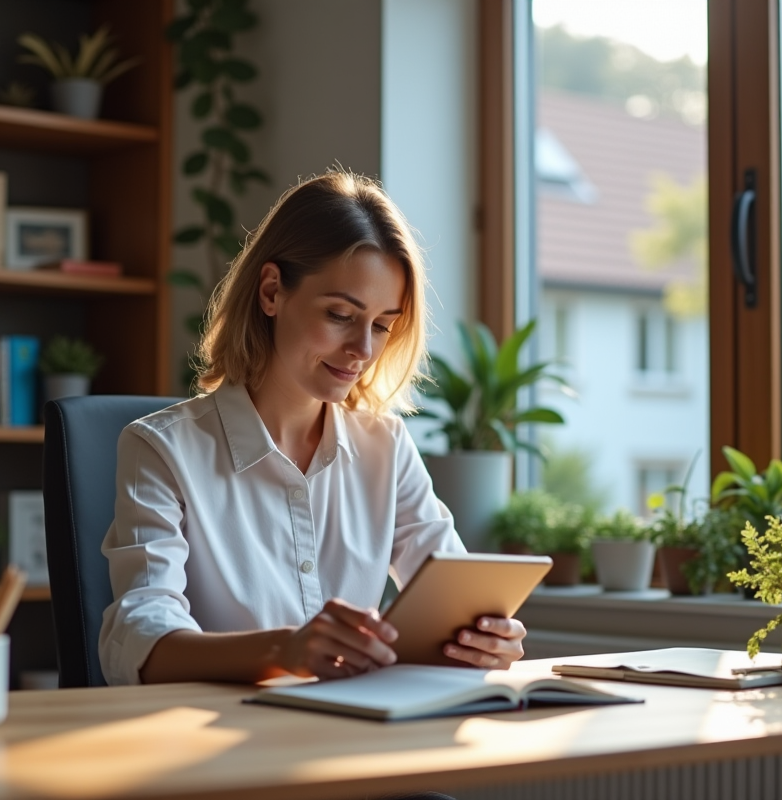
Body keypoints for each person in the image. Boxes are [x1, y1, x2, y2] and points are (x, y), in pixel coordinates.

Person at [99, 171, 527, 686]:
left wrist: (485, 635)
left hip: (352, 737)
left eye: (382, 325)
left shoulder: (385, 449)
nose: (363, 351)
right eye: (341, 314)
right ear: (273, 291)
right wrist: (286, 650)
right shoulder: (162, 449)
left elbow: (455, 595)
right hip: (220, 746)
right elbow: (138, 639)